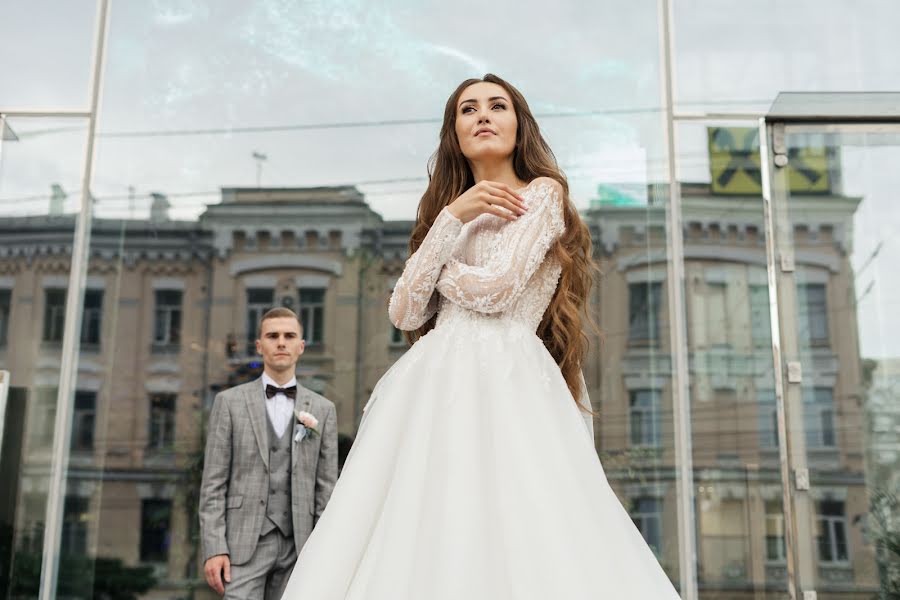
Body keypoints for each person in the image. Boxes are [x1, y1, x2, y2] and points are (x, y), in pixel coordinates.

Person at [281, 74, 683, 599]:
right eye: (468, 110)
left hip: (511, 376)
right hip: (434, 384)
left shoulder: (542, 194)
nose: (484, 116)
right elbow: (403, 309)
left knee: (520, 516)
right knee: (429, 516)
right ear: (455, 133)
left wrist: (432, 263)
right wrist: (451, 218)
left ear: (520, 125)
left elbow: (497, 289)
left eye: (498, 106)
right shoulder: (450, 212)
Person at [199, 307, 338, 599]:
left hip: (300, 546)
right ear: (259, 345)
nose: (281, 342)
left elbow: (326, 488)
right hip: (243, 544)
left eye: (289, 336)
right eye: (272, 336)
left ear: (301, 346)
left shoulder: (323, 410)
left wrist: (323, 550)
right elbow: (213, 483)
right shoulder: (229, 403)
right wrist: (214, 548)